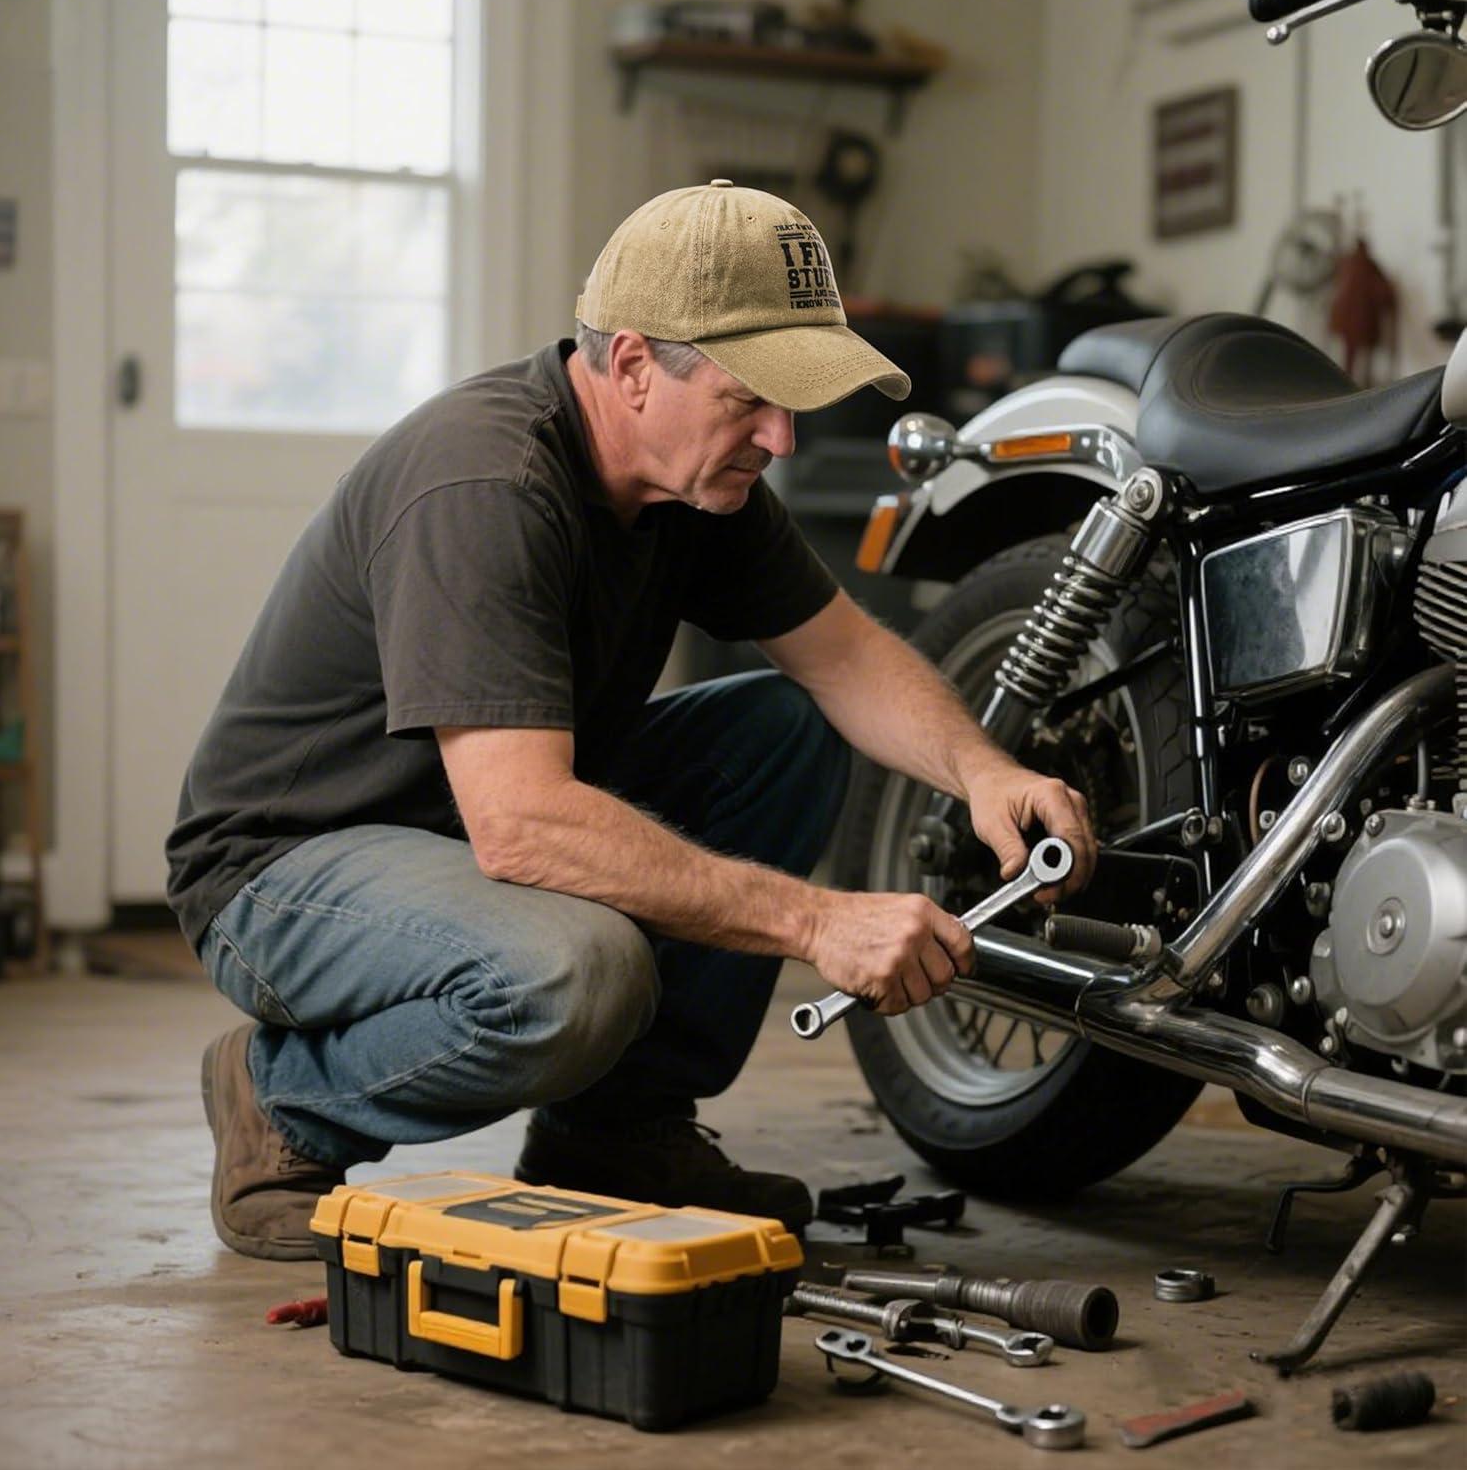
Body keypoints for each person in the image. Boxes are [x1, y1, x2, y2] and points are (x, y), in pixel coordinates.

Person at [168, 181, 1097, 1261]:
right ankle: (281, 1103)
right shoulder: (487, 485)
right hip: (288, 869)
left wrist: (981, 770)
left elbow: (844, 658)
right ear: (633, 367)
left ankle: (613, 1132)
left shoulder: (697, 481)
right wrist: (816, 923)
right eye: (752, 399)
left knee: (783, 731)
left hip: (464, 829)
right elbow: (521, 825)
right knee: (576, 974)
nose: (782, 437)